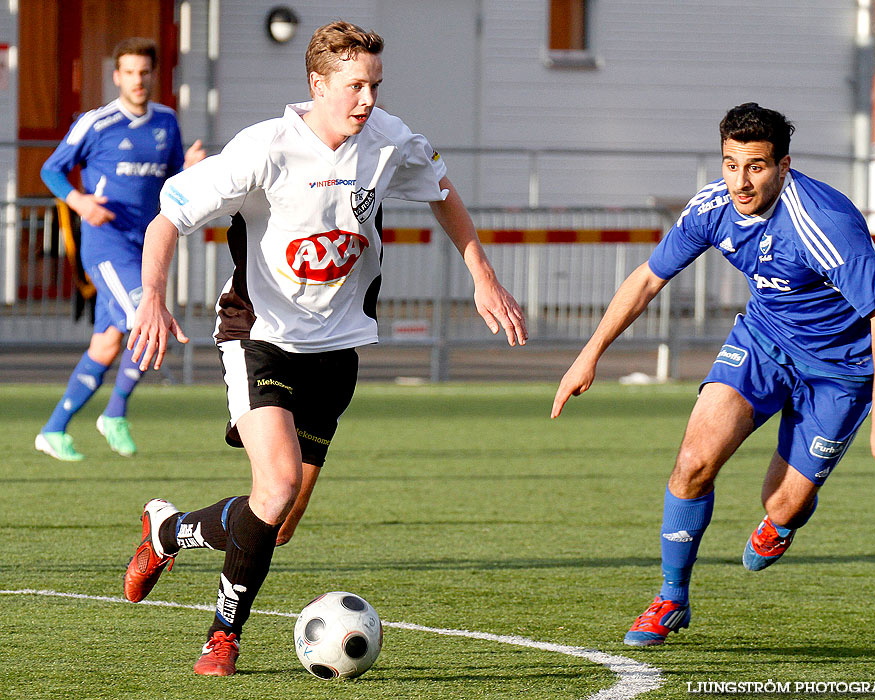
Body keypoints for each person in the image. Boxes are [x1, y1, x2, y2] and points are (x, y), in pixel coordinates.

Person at [122, 20, 527, 676]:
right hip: (258, 337)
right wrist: (151, 296)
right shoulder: (265, 149)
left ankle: (168, 532)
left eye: (376, 85)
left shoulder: (390, 140)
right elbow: (168, 218)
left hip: (338, 350)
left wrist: (483, 277)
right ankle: (222, 637)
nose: (368, 100)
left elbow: (443, 194)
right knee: (276, 484)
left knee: (275, 519)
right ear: (317, 84)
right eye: (355, 86)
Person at [552, 103, 875, 647]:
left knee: (780, 502)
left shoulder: (823, 221)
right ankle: (671, 599)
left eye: (756, 167)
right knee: (693, 462)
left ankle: (783, 521)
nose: (741, 182)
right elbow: (649, 279)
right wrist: (589, 354)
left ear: (784, 164)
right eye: (730, 164)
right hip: (763, 344)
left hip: (840, 371)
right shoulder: (713, 207)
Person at [35, 37, 205, 461]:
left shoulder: (166, 121)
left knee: (108, 346)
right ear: (117, 76)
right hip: (107, 244)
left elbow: (172, 177)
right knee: (146, 322)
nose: (137, 80)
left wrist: (190, 171)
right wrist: (80, 202)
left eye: (144, 72)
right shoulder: (97, 123)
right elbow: (51, 168)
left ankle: (53, 429)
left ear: (154, 75)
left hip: (144, 243)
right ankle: (114, 412)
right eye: (129, 72)